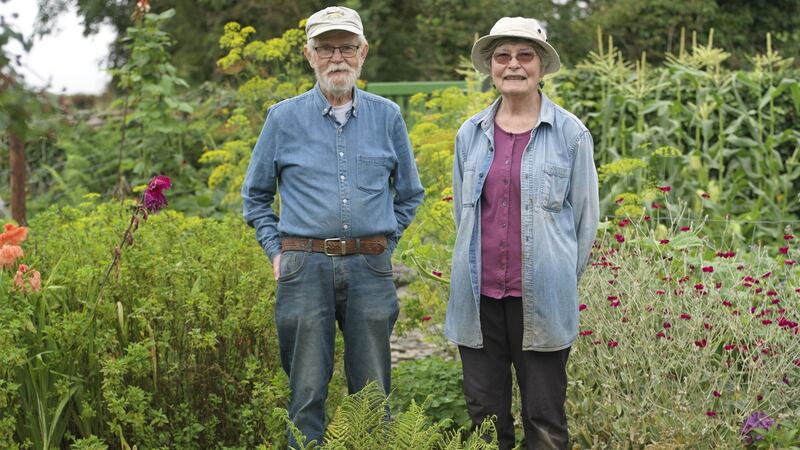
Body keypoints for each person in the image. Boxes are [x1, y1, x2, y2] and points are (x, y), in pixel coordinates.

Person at [241, 6, 424, 448]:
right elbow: (255, 196)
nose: (336, 57)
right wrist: (277, 252)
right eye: (326, 48)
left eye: (346, 47)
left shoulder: (387, 117)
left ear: (363, 52)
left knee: (373, 394)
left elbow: (410, 193)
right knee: (305, 394)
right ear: (309, 55)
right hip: (304, 267)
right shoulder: (282, 119)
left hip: (369, 268)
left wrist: (384, 243)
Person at [445, 16, 599, 450]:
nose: (513, 65)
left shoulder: (571, 135)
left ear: (542, 66)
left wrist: (558, 277)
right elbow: (464, 216)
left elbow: (584, 224)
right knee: (484, 417)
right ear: (491, 67)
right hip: (479, 299)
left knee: (545, 417)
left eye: (525, 55)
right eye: (502, 56)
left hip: (544, 299)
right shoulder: (469, 134)